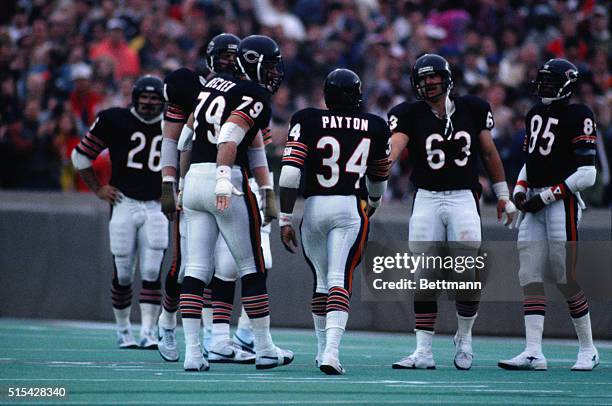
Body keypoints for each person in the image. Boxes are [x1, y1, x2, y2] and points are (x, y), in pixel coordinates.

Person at [159, 34, 291, 372]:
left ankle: (193, 354)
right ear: (255, 62)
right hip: (225, 181)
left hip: (195, 183)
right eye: (271, 64)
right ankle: (263, 349)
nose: (275, 71)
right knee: (252, 268)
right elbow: (231, 137)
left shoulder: (214, 84)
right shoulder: (254, 93)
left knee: (196, 270)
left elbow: (186, 136)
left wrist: (267, 189)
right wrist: (222, 178)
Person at [387, 54, 515, 370]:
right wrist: (376, 173)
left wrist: (502, 195)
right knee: (423, 273)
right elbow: (394, 149)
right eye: (424, 78)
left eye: (434, 77)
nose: (430, 83)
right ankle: (423, 350)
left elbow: (488, 152)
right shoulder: (408, 113)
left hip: (462, 197)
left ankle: (465, 337)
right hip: (427, 197)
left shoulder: (472, 108)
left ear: (447, 79)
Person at [279, 69, 391, 374]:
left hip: (314, 206)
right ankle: (331, 352)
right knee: (340, 279)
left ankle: (320, 349)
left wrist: (285, 218)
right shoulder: (375, 125)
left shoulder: (307, 118)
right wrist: (376, 200)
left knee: (322, 282)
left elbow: (289, 174)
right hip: (349, 204)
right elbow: (379, 176)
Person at [498, 59, 599, 371]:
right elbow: (533, 160)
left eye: (550, 81)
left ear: (567, 84)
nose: (544, 87)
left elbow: (588, 174)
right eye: (542, 80)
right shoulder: (535, 113)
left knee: (564, 275)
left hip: (561, 203)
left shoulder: (579, 114)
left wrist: (546, 196)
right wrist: (519, 189)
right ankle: (533, 352)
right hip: (534, 200)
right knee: (528, 275)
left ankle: (588, 349)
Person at [71, 75, 166, 349]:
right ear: (135, 97)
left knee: (151, 270)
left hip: (154, 205)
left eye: (154, 98)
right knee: (124, 271)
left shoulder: (171, 124)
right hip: (123, 201)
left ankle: (148, 331)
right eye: (145, 97)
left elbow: (185, 160)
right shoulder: (115, 119)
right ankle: (123, 329)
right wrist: (98, 189)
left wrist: (173, 189)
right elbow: (80, 157)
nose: (149, 103)